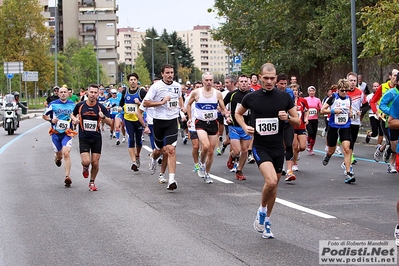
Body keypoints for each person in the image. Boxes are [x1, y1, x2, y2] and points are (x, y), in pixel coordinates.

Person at [235, 63, 300, 239]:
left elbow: (297, 120)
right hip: (260, 147)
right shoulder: (251, 97)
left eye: (272, 78)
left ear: (276, 78)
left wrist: (288, 118)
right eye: (266, 78)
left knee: (274, 186)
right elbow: (238, 114)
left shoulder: (285, 97)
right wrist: (244, 126)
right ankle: (262, 210)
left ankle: (267, 222)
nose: (269, 82)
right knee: (270, 182)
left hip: (278, 148)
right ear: (260, 78)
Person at [142, 64, 184, 191]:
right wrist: (161, 102)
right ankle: (154, 160)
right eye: (167, 72)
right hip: (159, 122)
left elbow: (179, 98)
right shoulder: (156, 87)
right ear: (162, 74)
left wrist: (181, 110)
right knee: (159, 150)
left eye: (171, 72)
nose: (170, 75)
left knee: (170, 149)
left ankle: (171, 179)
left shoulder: (177, 86)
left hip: (172, 121)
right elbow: (146, 102)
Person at [186, 72, 230, 184]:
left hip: (213, 123)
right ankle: (201, 164)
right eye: (206, 80)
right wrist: (190, 118)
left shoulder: (218, 93)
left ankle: (207, 173)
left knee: (211, 151)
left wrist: (227, 115)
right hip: (200, 122)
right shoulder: (196, 92)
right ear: (203, 81)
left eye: (211, 80)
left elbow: (223, 107)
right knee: (205, 146)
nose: (209, 82)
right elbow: (188, 104)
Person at [70, 84, 112, 191]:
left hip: (96, 138)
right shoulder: (80, 105)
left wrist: (103, 117)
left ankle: (92, 182)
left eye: (95, 93)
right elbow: (72, 114)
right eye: (91, 92)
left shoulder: (100, 107)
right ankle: (85, 167)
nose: (93, 95)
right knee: (86, 161)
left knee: (95, 162)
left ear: (98, 94)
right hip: (84, 138)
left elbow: (110, 122)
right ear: (87, 93)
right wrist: (75, 120)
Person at [320, 79, 355, 184]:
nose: (344, 92)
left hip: (345, 126)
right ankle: (328, 155)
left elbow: (350, 110)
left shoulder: (349, 99)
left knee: (347, 149)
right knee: (332, 150)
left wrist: (351, 114)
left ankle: (349, 173)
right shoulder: (333, 98)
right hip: (333, 126)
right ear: (338, 90)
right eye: (342, 90)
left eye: (346, 90)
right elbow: (322, 110)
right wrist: (333, 111)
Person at [42, 86, 77, 187]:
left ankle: (67, 177)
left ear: (68, 93)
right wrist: (50, 120)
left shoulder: (72, 104)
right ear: (58, 94)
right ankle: (57, 158)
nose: (63, 94)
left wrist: (75, 120)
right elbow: (44, 116)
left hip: (67, 133)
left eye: (64, 92)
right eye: (61, 92)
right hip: (56, 133)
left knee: (66, 153)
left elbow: (73, 115)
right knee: (59, 155)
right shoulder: (53, 104)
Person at [223, 74, 252, 180]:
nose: (244, 83)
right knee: (237, 151)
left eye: (245, 81)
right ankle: (232, 156)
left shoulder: (251, 95)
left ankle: (239, 171)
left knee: (245, 151)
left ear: (248, 83)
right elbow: (221, 105)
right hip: (234, 126)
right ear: (238, 83)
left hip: (246, 127)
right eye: (242, 81)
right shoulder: (232, 94)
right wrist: (226, 114)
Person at [118, 73, 147, 171]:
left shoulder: (141, 92)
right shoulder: (125, 91)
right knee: (131, 138)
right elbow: (122, 103)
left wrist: (139, 103)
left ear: (137, 81)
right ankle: (134, 162)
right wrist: (119, 108)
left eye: (134, 79)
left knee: (138, 140)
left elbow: (147, 103)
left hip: (138, 119)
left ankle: (137, 155)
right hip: (128, 119)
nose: (133, 81)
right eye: (131, 80)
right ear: (128, 81)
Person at [370, 69, 398, 162]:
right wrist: (377, 112)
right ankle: (382, 150)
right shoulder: (383, 87)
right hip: (386, 119)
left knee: (394, 143)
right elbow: (373, 101)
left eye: (397, 75)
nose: (395, 77)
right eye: (394, 75)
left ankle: (391, 163)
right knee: (391, 142)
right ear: (390, 76)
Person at [379, 73, 399, 173]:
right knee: (394, 146)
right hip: (392, 122)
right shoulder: (392, 92)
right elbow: (382, 105)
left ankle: (393, 164)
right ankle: (389, 152)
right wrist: (392, 112)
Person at [291, 83, 309, 175]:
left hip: (301, 126)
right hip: (292, 126)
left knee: (302, 146)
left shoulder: (303, 101)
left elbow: (306, 110)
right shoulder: (288, 101)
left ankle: (296, 153)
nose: (295, 92)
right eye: (293, 90)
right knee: (294, 145)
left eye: (296, 90)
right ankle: (295, 163)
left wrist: (306, 118)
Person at [304, 86, 322, 155]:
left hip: (315, 119)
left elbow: (321, 108)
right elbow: (303, 108)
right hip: (308, 119)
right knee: (310, 132)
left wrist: (318, 108)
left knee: (314, 135)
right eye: (310, 91)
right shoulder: (305, 99)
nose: (311, 92)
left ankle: (311, 148)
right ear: (308, 92)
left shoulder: (317, 100)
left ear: (315, 92)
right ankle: (308, 142)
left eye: (313, 91)